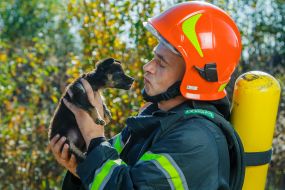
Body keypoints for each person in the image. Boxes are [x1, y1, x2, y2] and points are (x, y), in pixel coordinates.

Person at [50, 1, 243, 190]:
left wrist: (94, 136)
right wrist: (80, 170)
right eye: (153, 58)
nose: (147, 67)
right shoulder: (154, 119)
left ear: (194, 76)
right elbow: (112, 171)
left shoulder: (196, 142)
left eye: (161, 63)